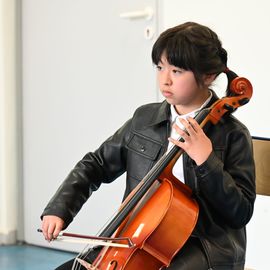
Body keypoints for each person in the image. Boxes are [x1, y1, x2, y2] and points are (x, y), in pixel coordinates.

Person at [41, 22, 256, 270]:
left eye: (176, 71)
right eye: (160, 67)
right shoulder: (144, 120)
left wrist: (206, 160)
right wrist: (59, 209)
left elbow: (240, 212)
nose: (165, 80)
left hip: (206, 247)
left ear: (208, 76)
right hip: (140, 239)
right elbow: (96, 165)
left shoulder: (233, 134)